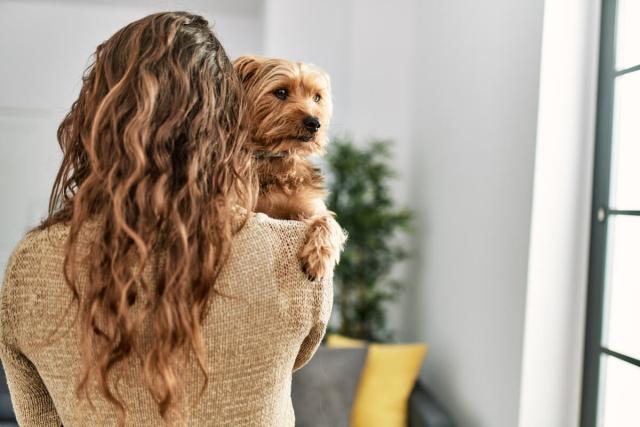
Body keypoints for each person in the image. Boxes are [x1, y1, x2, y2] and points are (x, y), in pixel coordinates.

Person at [0, 11, 332, 426]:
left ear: (97, 116)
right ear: (227, 117)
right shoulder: (293, 250)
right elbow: (298, 355)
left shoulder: (32, 266)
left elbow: (38, 416)